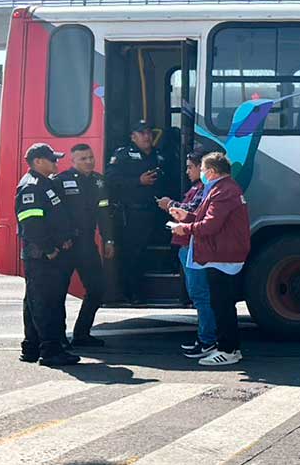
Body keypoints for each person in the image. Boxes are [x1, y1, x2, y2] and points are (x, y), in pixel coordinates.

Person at [169, 152, 250, 367]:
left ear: (212, 171)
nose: (201, 173)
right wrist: (187, 217)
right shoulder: (223, 188)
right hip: (221, 254)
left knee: (222, 304)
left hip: (223, 256)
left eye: (203, 170)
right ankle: (226, 347)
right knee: (220, 303)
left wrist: (184, 228)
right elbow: (208, 218)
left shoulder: (223, 191)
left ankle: (228, 350)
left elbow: (211, 225)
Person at [15, 144, 80, 367]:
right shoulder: (31, 187)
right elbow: (32, 225)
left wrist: (64, 238)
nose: (56, 162)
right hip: (41, 257)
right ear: (38, 161)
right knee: (46, 304)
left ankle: (32, 348)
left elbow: (54, 218)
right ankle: (51, 351)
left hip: (49, 253)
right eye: (52, 159)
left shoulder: (45, 183)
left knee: (36, 302)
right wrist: (49, 249)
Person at [54, 143, 114, 347]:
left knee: (97, 288)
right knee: (58, 292)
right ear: (73, 161)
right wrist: (60, 239)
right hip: (67, 245)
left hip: (87, 243)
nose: (89, 161)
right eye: (83, 158)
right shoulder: (60, 181)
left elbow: (104, 213)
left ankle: (82, 333)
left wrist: (108, 239)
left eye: (91, 157)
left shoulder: (99, 181)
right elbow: (55, 215)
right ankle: (59, 338)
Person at [158, 151, 217, 358]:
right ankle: (206, 338)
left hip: (192, 246)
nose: (187, 171)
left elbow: (193, 212)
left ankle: (207, 340)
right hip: (188, 246)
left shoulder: (203, 189)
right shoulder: (198, 188)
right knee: (199, 295)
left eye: (191, 167)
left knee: (200, 295)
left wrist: (170, 205)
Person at [106, 120, 169, 303]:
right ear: (133, 137)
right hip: (133, 213)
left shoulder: (159, 155)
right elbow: (110, 179)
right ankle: (132, 293)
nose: (147, 136)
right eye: (142, 133)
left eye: (149, 132)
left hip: (156, 212)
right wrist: (138, 181)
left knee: (151, 253)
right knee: (133, 254)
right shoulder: (123, 154)